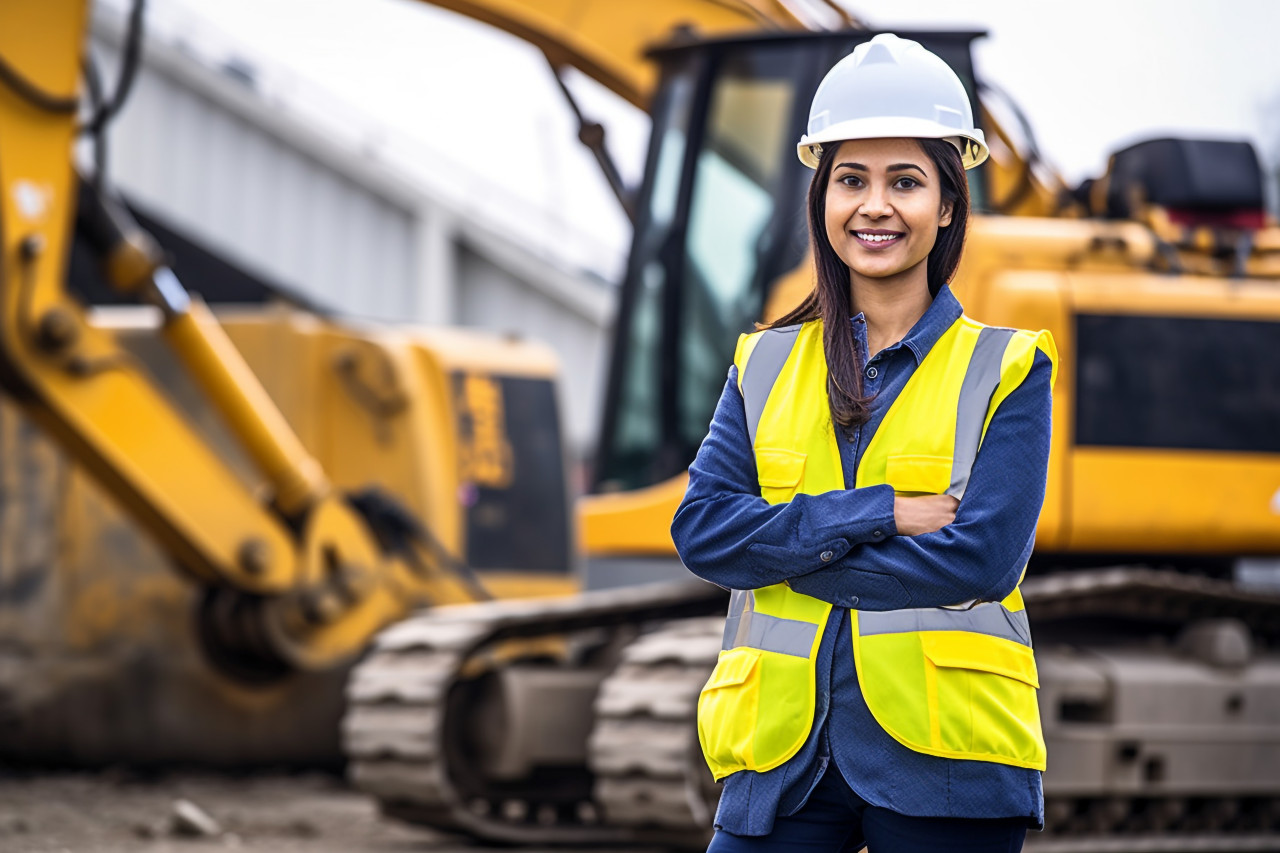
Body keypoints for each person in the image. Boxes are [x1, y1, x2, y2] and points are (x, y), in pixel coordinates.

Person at [670, 33, 1057, 853]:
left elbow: (978, 561)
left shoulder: (1009, 368)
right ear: (821, 197)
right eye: (851, 179)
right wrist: (881, 510)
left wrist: (782, 553)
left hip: (946, 764)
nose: (874, 205)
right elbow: (703, 532)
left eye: (905, 182)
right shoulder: (763, 362)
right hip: (781, 761)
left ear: (948, 204)